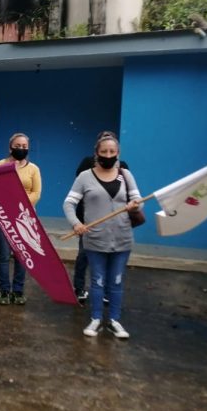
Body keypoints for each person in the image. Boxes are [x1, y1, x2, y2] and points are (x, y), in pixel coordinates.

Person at [63, 134, 142, 339]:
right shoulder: (85, 177)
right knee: (97, 281)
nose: (108, 155)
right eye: (104, 151)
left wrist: (135, 205)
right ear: (96, 153)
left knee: (116, 281)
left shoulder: (125, 175)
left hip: (122, 239)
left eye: (112, 151)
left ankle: (115, 320)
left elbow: (138, 200)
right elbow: (69, 203)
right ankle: (96, 319)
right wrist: (76, 223)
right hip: (95, 239)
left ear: (118, 153)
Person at [72, 130, 129, 305]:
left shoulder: (123, 167)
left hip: (113, 222)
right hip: (88, 220)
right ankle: (79, 288)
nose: (108, 153)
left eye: (112, 148)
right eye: (104, 146)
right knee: (84, 255)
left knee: (109, 258)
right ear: (97, 148)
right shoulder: (87, 164)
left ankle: (106, 291)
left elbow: (126, 192)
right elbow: (80, 188)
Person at [0, 133, 41, 305]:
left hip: (24, 219)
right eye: (18, 146)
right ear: (10, 147)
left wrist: (19, 205)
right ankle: (4, 291)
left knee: (22, 255)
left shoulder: (33, 169)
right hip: (1, 217)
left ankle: (18, 291)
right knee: (4, 255)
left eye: (24, 146)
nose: (21, 149)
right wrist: (7, 206)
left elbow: (36, 193)